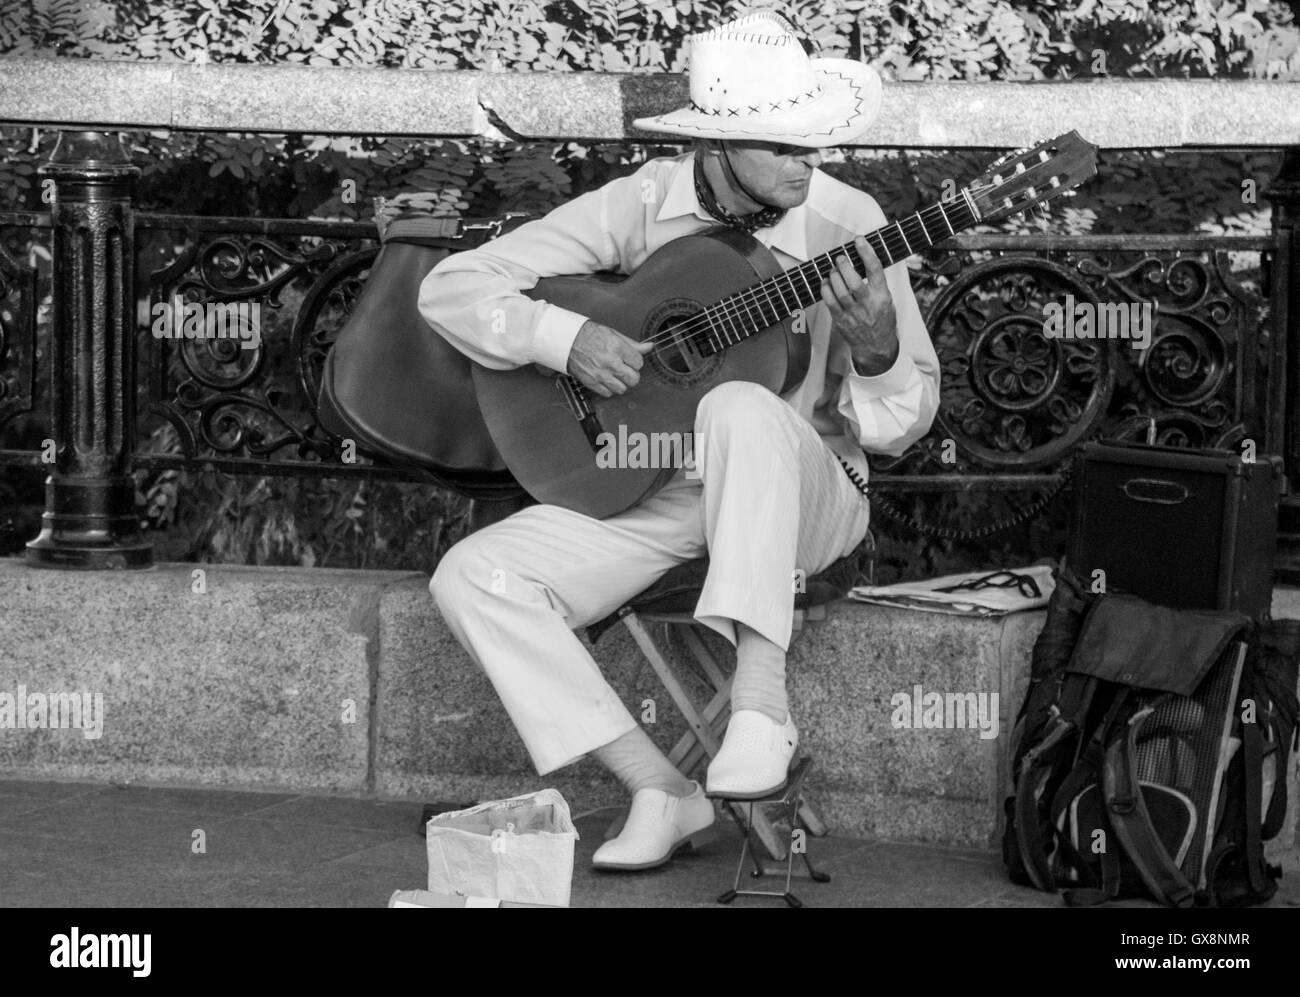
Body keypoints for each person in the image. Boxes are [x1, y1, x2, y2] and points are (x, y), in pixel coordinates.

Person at [418, 11, 940, 871]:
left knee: (738, 405)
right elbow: (453, 287)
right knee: (475, 575)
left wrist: (879, 349)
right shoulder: (643, 202)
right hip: (657, 488)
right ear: (722, 142)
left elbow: (901, 424)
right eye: (787, 146)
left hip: (809, 492)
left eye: (819, 144)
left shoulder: (849, 220)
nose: (812, 163)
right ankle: (659, 787)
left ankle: (760, 709)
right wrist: (565, 337)